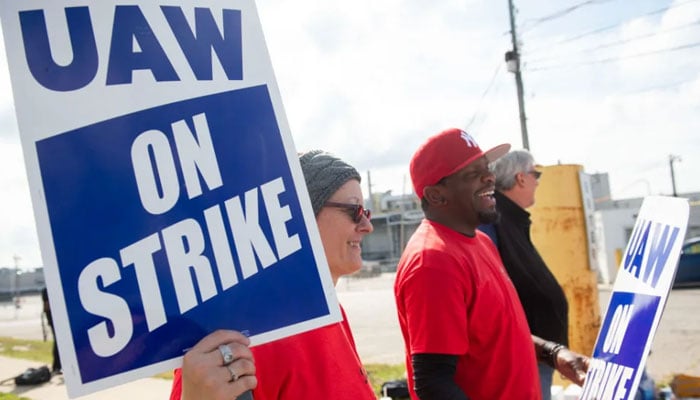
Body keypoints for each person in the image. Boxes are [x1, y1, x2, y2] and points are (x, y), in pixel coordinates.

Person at [394, 128, 588, 399]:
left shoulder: (480, 243)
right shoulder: (433, 262)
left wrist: (553, 353)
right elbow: (434, 384)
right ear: (437, 195)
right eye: (473, 174)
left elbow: (499, 334)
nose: (490, 178)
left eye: (487, 169)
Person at [170, 150, 377, 400]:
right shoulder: (251, 332)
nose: (367, 226)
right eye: (354, 210)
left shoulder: (331, 311)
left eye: (366, 213)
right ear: (300, 216)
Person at [483, 149, 569, 400]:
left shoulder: (511, 218)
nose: (538, 181)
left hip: (538, 350)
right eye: (536, 174)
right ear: (521, 178)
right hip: (524, 354)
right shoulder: (494, 218)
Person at [41, 287, 61, 374]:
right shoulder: (47, 290)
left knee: (59, 342)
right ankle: (56, 366)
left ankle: (58, 366)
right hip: (54, 320)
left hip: (56, 320)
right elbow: (47, 307)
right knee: (58, 342)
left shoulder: (49, 289)